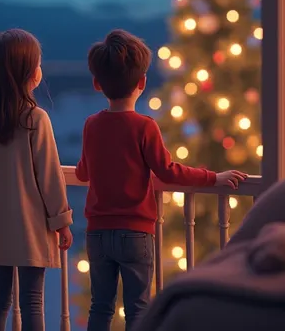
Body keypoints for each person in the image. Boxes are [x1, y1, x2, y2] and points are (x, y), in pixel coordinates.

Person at [75, 29, 247, 331]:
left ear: (97, 83)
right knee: (138, 310)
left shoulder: (92, 125)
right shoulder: (145, 127)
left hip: (98, 234)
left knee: (99, 308)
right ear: (141, 83)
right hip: (136, 234)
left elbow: (82, 174)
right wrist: (214, 177)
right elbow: (168, 171)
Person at [0, 29, 73, 331]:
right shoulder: (35, 119)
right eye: (37, 63)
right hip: (28, 227)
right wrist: (61, 221)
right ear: (27, 72)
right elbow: (49, 176)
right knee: (32, 301)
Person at [132, 180, 285, 331]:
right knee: (136, 305)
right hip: (133, 231)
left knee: (116, 306)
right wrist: (214, 178)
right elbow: (167, 171)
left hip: (118, 229)